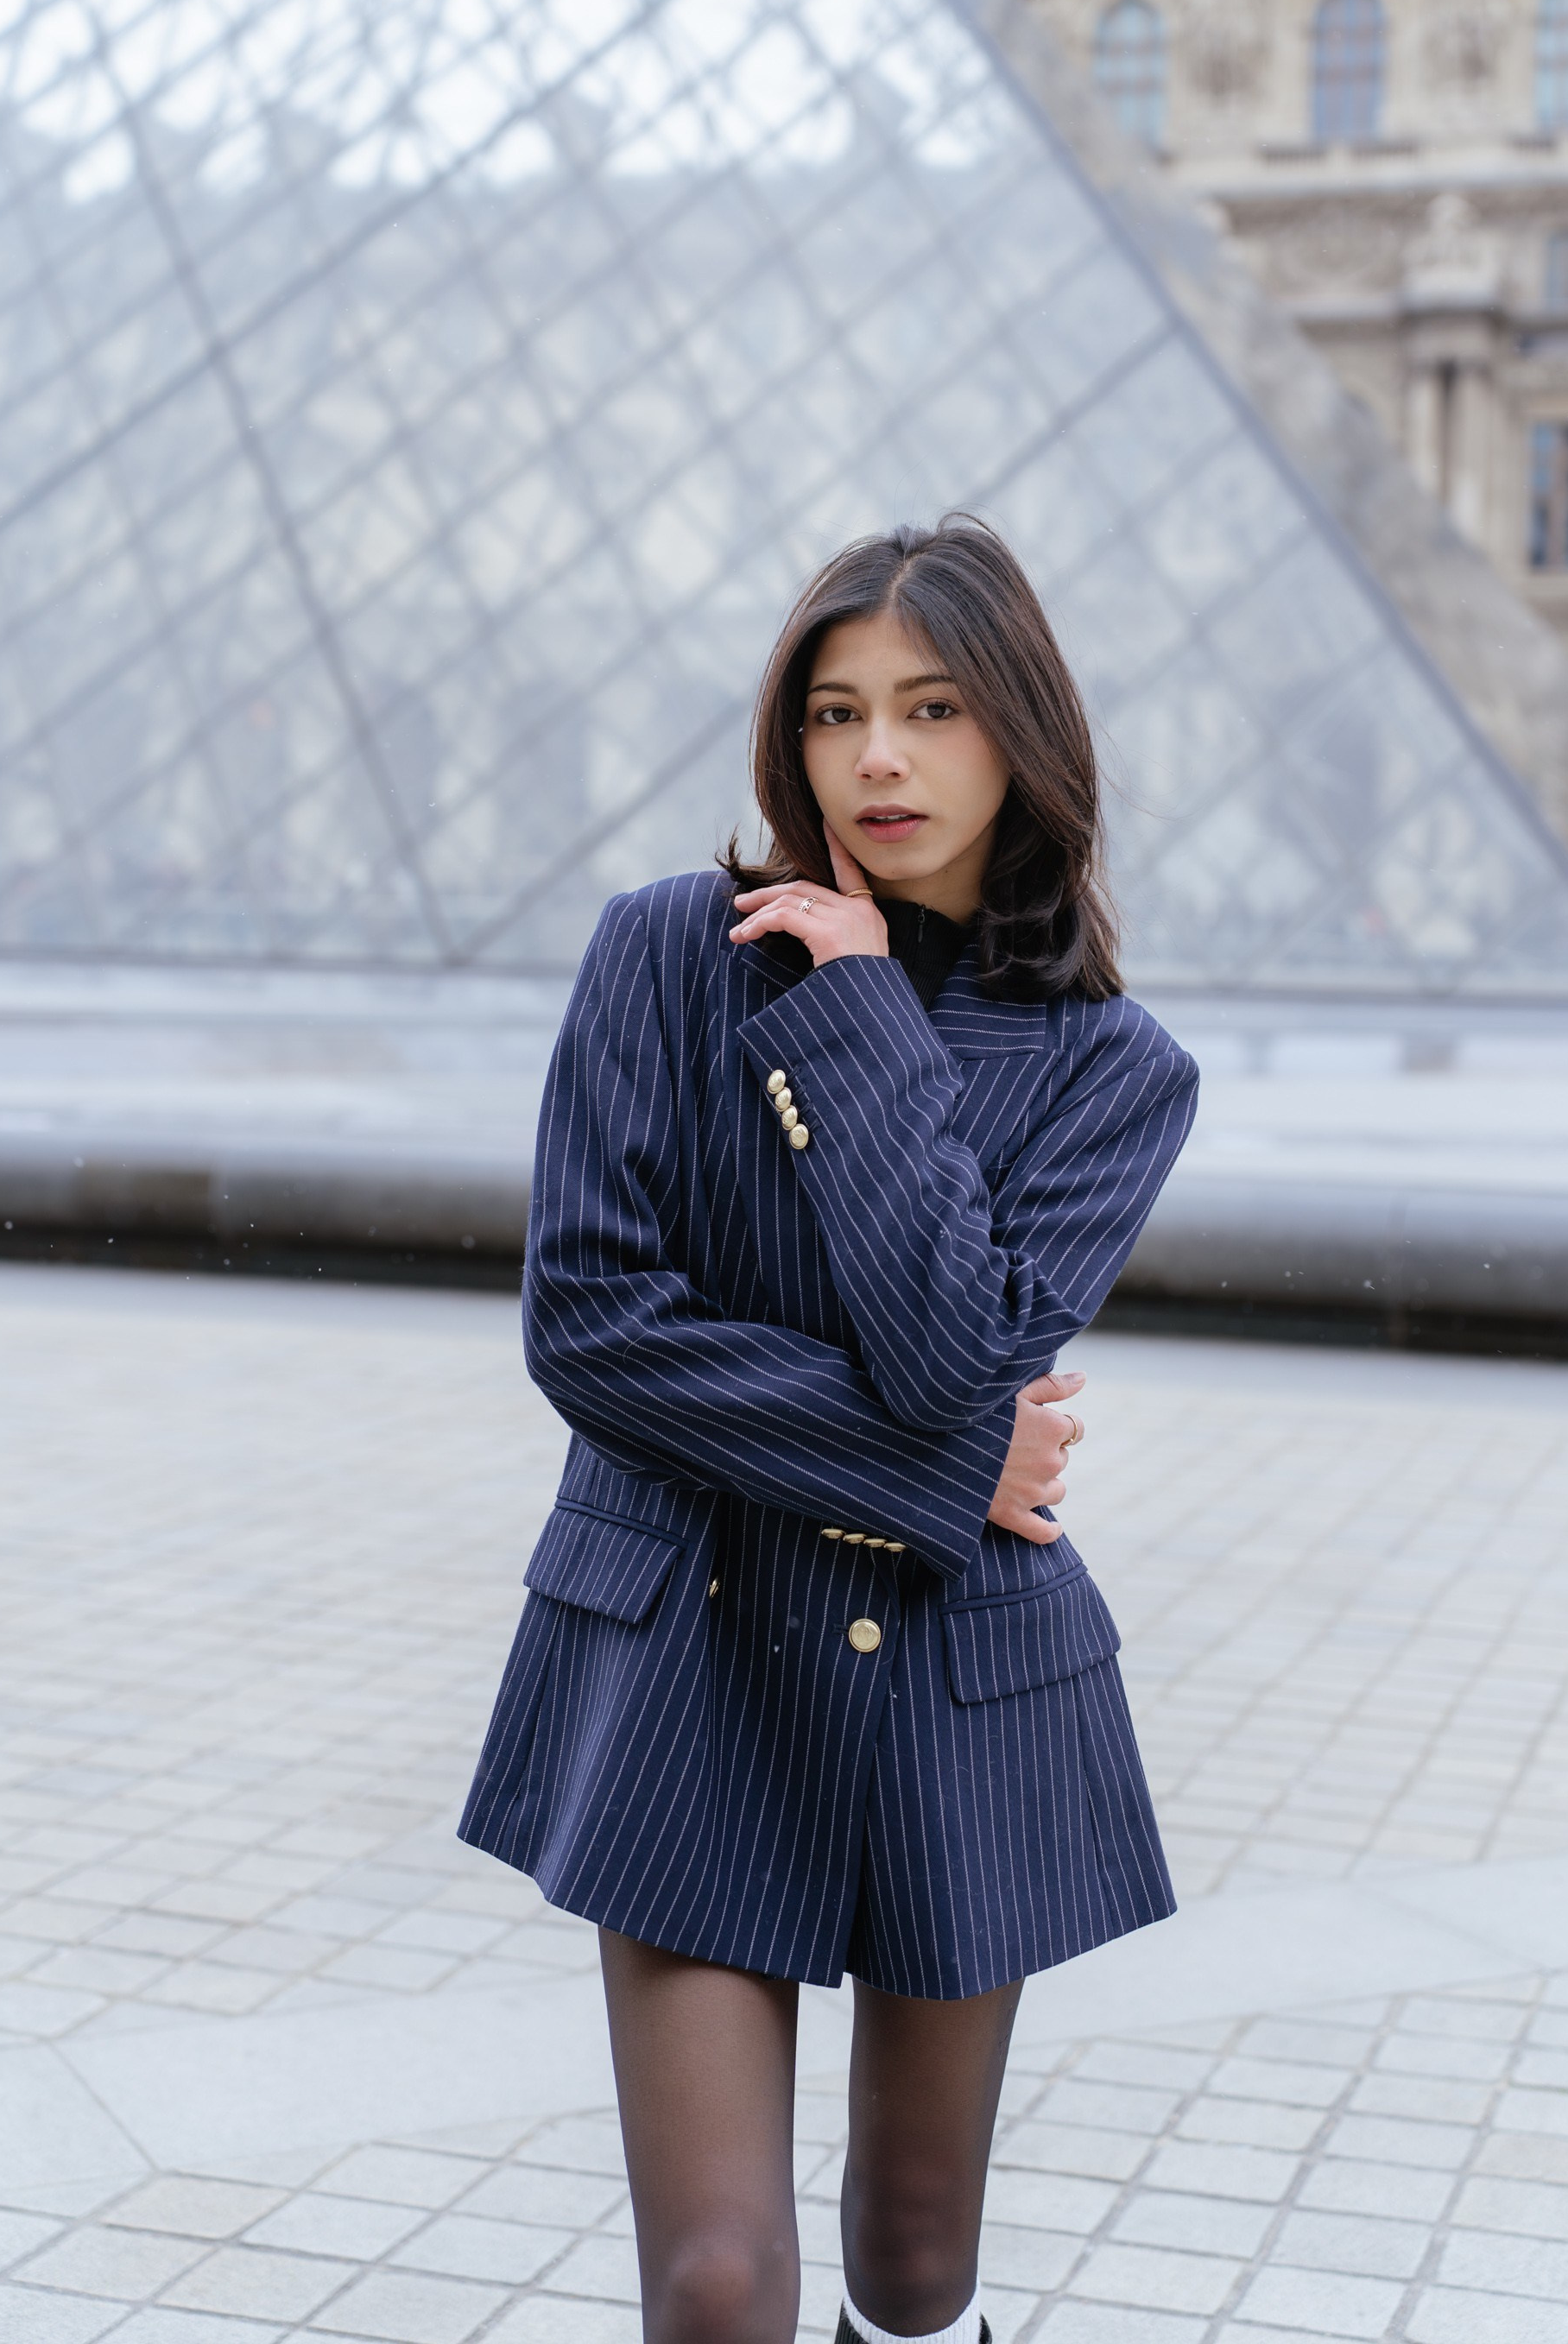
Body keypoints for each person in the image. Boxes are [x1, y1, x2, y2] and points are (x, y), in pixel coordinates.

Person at [461, 514, 1199, 2344]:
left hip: (957, 1695)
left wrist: (863, 1010)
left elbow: (960, 1349)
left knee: (913, 2255)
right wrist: (952, 1470)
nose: (878, 759)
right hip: (692, 1669)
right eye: (837, 712)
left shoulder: (1117, 1073)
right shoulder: (661, 958)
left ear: (1021, 731)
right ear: (786, 742)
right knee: (718, 2283)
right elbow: (595, 1330)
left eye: (934, 710)